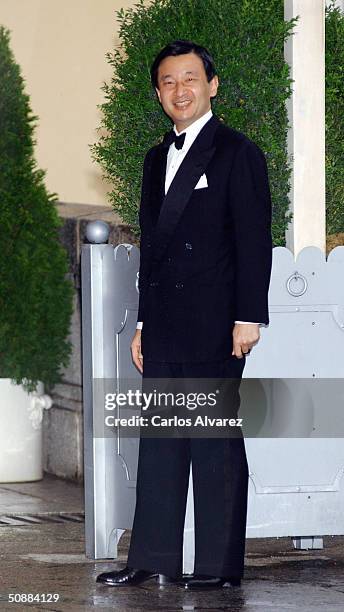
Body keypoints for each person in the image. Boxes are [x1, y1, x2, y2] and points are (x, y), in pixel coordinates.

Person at [97, 39, 272, 590]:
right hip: (167, 322)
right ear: (158, 93)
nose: (180, 90)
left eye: (190, 78)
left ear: (212, 85)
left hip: (218, 320)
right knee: (162, 442)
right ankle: (151, 558)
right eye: (169, 82)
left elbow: (253, 240)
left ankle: (219, 568)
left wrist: (249, 316)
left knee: (214, 441)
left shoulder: (237, 152)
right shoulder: (155, 158)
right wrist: (144, 324)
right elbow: (154, 247)